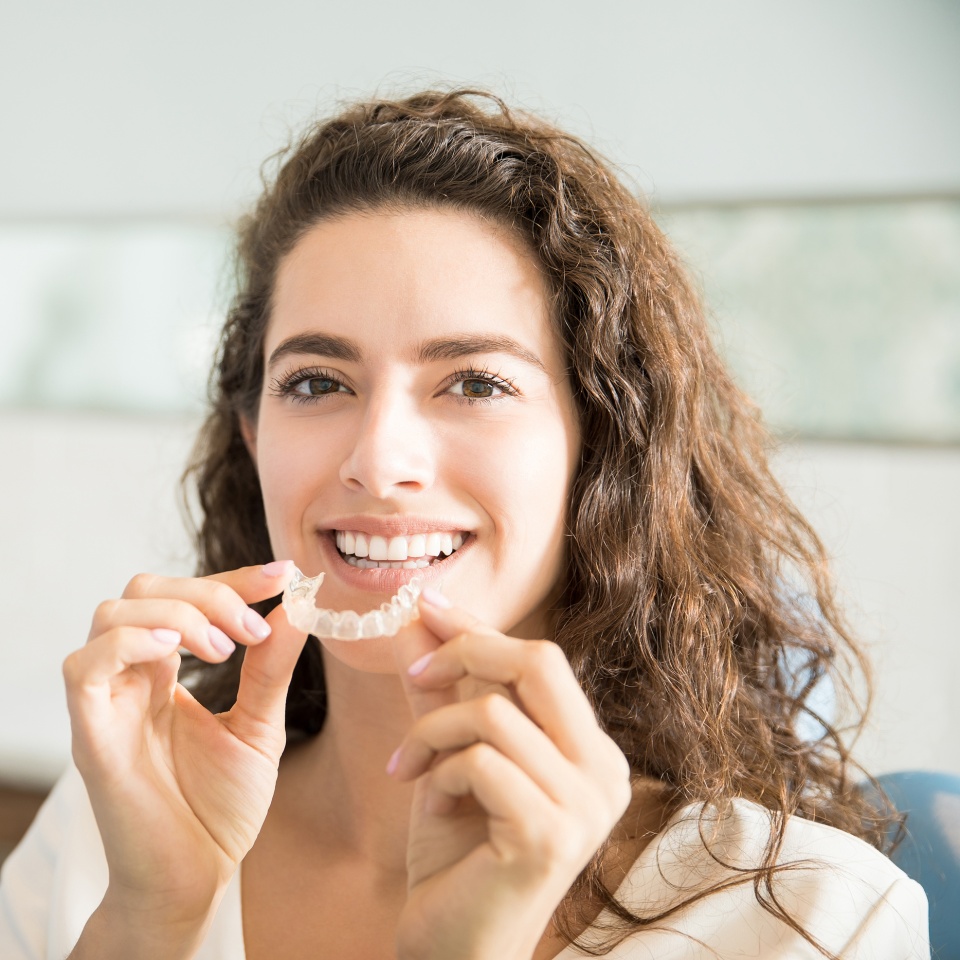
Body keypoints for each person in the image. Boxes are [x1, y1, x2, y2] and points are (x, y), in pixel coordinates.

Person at [0, 89, 928, 959]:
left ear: (599, 446)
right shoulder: (110, 832)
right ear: (253, 436)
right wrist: (148, 920)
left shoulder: (810, 916)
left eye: (476, 383)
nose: (377, 457)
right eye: (317, 382)